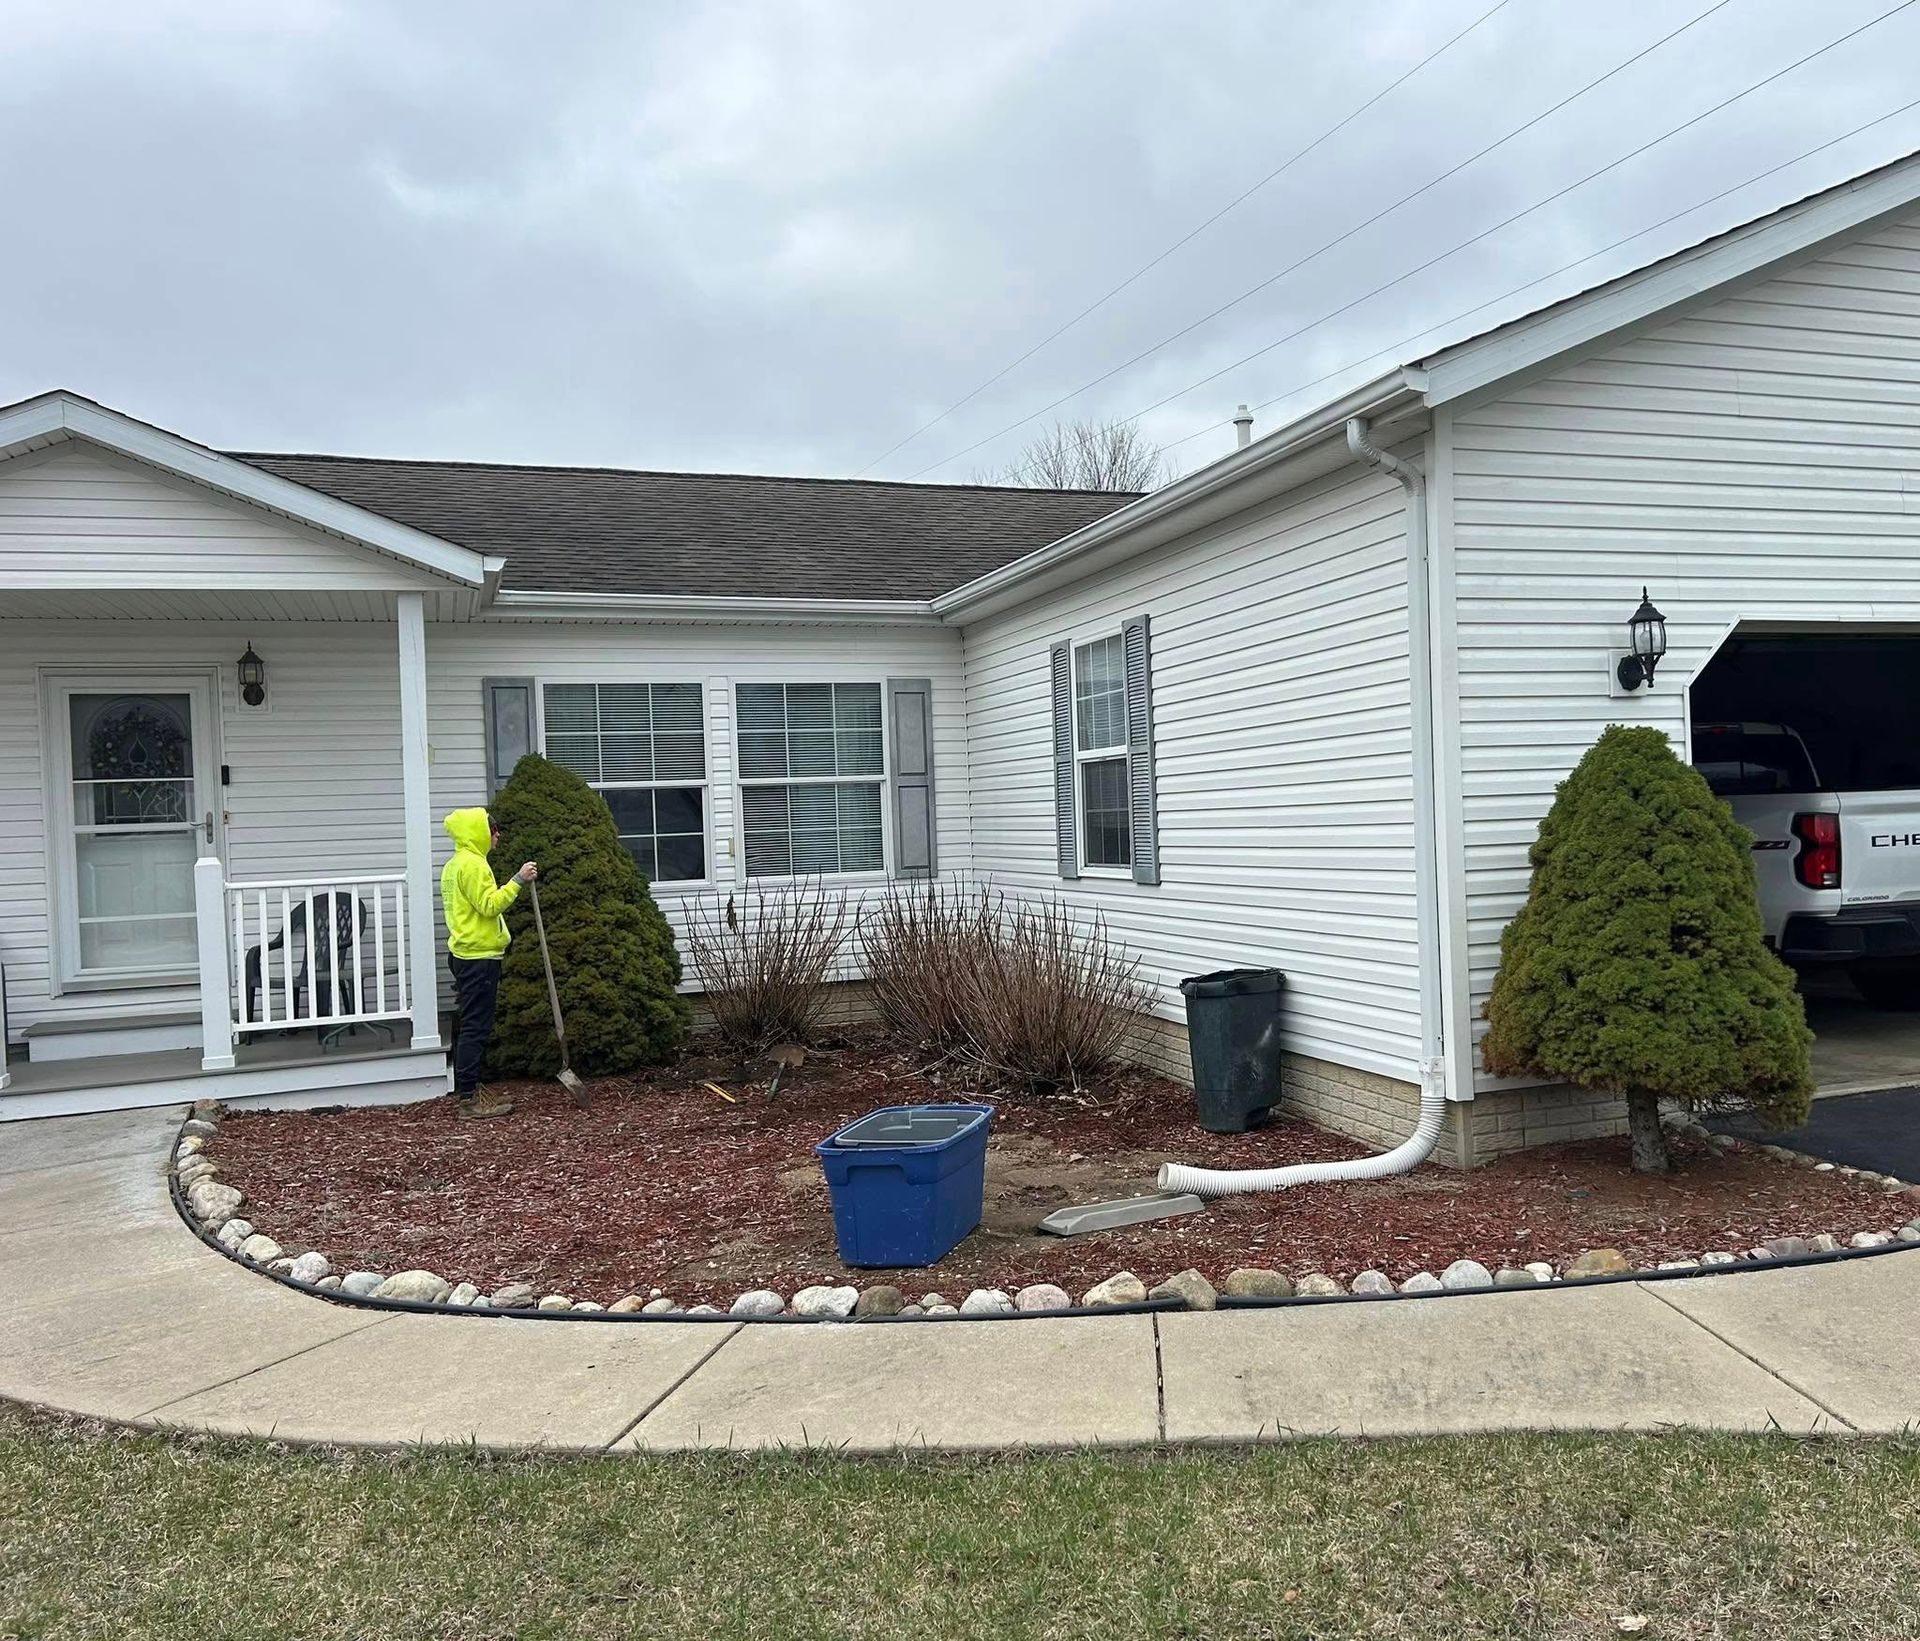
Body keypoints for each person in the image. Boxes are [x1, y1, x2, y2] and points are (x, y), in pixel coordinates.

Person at [440, 807, 536, 1120]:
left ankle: (469, 1088)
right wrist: (518, 880)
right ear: (480, 832)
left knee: (470, 1022)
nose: (498, 836)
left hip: (463, 953)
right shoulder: (474, 866)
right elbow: (489, 905)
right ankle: (469, 1100)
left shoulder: (454, 865)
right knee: (475, 1027)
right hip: (478, 957)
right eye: (493, 830)